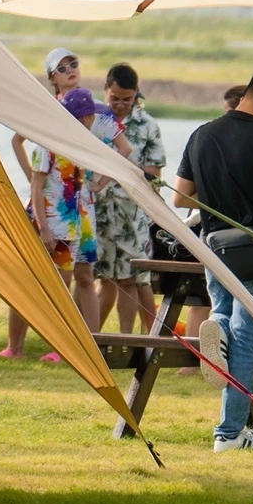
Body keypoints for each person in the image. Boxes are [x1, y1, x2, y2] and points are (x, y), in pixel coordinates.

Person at [174, 66, 253, 452]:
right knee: (247, 340)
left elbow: (180, 197)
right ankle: (229, 434)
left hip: (214, 246)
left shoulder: (201, 134)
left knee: (226, 319)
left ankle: (216, 325)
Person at [5, 61, 100, 356]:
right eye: (84, 118)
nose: (87, 123)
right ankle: (15, 346)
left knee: (63, 286)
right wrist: (44, 229)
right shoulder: (46, 145)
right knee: (30, 280)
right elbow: (36, 186)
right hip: (47, 223)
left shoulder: (80, 147)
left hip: (70, 226)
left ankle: (60, 346)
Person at [92, 64, 167, 337]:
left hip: (131, 213)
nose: (121, 104)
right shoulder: (93, 119)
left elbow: (155, 173)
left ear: (136, 94)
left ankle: (127, 338)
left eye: (127, 98)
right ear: (105, 91)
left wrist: (153, 213)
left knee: (129, 278)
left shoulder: (147, 125)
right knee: (101, 278)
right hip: (97, 211)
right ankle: (92, 338)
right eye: (115, 98)